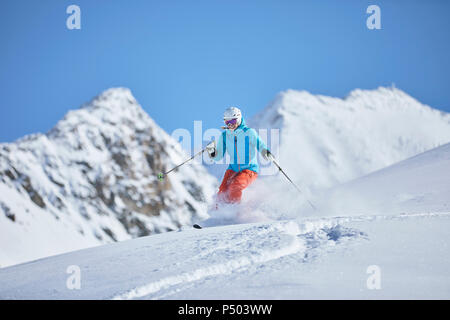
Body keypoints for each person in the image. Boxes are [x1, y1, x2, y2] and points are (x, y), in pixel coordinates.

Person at [206, 107, 274, 207]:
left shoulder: (249, 132)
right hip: (233, 169)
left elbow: (260, 145)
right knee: (222, 191)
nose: (230, 125)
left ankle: (235, 212)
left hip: (249, 169)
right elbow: (218, 157)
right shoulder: (224, 136)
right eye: (227, 122)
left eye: (232, 121)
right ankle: (218, 217)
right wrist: (212, 152)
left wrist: (266, 152)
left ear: (238, 119)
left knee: (235, 186)